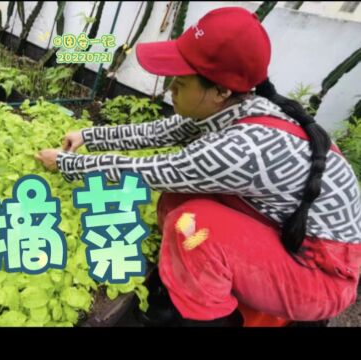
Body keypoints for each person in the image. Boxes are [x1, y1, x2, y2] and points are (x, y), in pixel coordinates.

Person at [35, 7, 361, 326]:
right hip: (288, 231)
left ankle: (208, 318)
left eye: (180, 83)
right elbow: (159, 131)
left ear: (220, 90)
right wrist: (87, 136)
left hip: (319, 275)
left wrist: (65, 163)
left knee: (191, 225)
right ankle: (188, 285)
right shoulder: (237, 104)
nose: (169, 90)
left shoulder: (242, 148)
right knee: (177, 201)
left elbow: (147, 172)